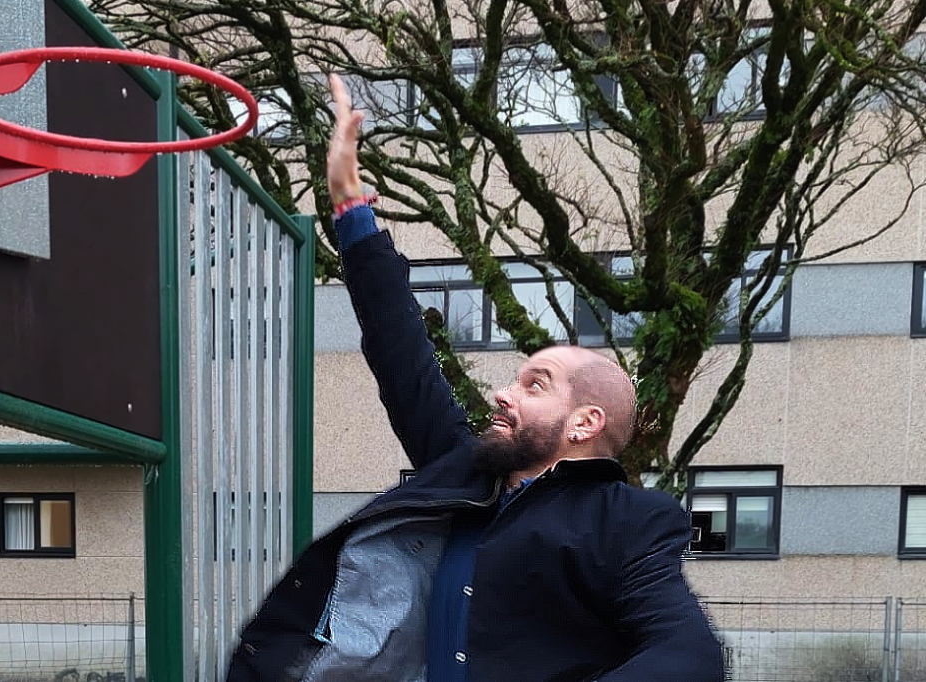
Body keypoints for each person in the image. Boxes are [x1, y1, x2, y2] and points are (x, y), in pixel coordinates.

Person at [226, 74, 726, 682]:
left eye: (536, 383)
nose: (503, 392)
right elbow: (400, 351)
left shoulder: (627, 521)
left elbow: (688, 655)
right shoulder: (463, 473)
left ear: (584, 423)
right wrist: (348, 206)